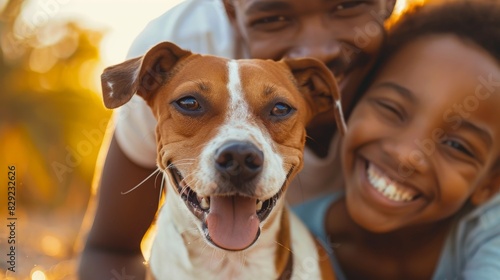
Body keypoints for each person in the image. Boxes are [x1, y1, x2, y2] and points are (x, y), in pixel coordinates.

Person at [78, 0, 397, 279]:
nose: (239, 150)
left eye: (279, 109)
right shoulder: (176, 37)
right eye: (191, 105)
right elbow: (108, 248)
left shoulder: (409, 64)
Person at [293, 0, 500, 279]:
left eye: (456, 145)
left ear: (490, 184)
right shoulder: (285, 235)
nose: (407, 155)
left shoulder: (490, 230)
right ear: (353, 104)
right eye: (391, 109)